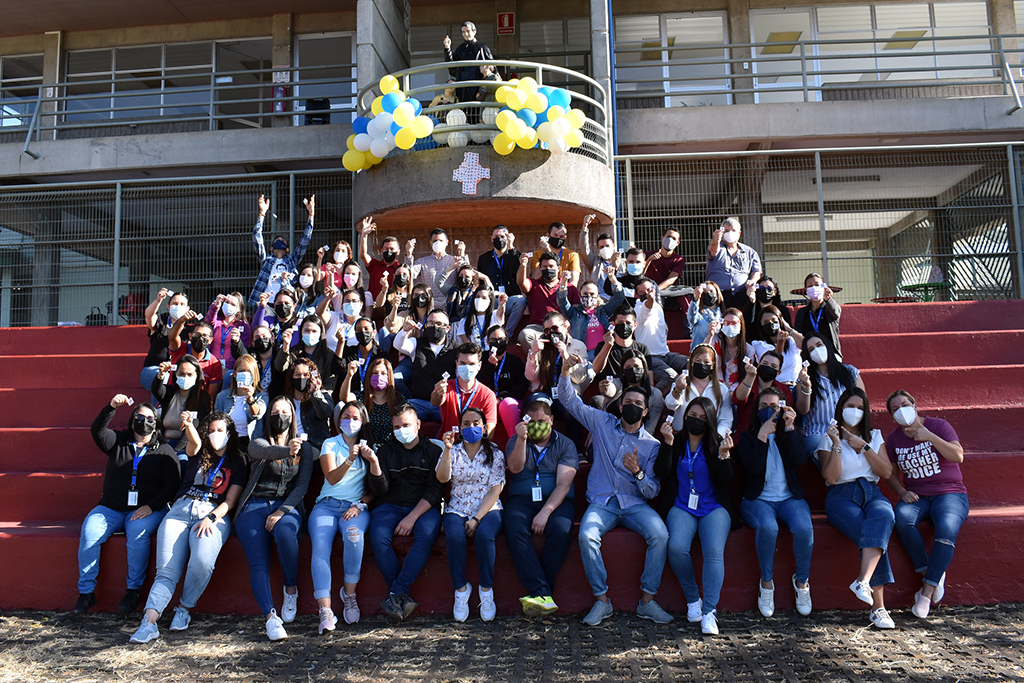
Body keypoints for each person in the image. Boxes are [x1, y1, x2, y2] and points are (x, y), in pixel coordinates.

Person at [557, 356, 673, 627]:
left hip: (635, 504)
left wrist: (638, 472)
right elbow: (570, 401)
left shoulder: (652, 446)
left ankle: (647, 601)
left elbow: (652, 491)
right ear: (620, 405)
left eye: (638, 405)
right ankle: (602, 601)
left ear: (646, 412)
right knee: (586, 535)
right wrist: (564, 373)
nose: (632, 407)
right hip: (602, 502)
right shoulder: (602, 423)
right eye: (628, 403)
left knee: (660, 534)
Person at [129, 412, 247, 643]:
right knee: (166, 571)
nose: (215, 435)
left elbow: (230, 501)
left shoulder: (238, 460)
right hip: (179, 512)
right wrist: (189, 425)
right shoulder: (198, 452)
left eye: (220, 430)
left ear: (230, 433)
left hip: (213, 514)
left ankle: (184, 607)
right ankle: (149, 622)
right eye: (211, 430)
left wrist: (211, 518)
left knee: (202, 561)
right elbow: (193, 442)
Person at [72, 394, 180, 616]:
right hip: (110, 507)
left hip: (147, 509)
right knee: (90, 531)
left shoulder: (164, 450)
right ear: (132, 421)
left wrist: (152, 506)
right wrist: (111, 406)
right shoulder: (118, 442)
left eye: (150, 418)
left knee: (137, 534)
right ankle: (86, 592)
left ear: (156, 423)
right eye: (140, 417)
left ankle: (133, 590)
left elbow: (172, 484)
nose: (144, 421)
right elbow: (97, 431)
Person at [235, 397, 315, 641]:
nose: (280, 416)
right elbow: (259, 451)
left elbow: (301, 487)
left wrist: (281, 511)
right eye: (275, 411)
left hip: (286, 506)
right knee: (258, 563)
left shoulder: (306, 449)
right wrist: (286, 451)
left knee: (284, 532)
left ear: (293, 417)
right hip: (254, 505)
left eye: (285, 411)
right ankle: (271, 618)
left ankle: (290, 588)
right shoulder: (259, 441)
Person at [883, 390, 968, 619]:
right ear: (892, 417)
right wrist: (901, 491)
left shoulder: (939, 426)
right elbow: (889, 472)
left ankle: (927, 592)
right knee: (900, 518)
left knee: (947, 529)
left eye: (905, 404)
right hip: (917, 496)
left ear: (915, 405)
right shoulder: (893, 439)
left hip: (950, 493)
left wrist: (929, 436)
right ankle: (930, 571)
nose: (901, 410)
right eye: (895, 409)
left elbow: (957, 456)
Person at [656, 397, 738, 635]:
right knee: (676, 547)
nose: (697, 421)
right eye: (692, 415)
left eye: (703, 418)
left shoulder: (716, 443)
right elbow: (662, 472)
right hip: (682, 506)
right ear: (685, 416)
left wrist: (724, 456)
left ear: (711, 420)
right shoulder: (677, 440)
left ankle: (709, 612)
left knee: (713, 553)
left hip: (713, 507)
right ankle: (694, 599)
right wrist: (668, 444)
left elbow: (726, 481)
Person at [817, 387, 896, 630]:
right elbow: (831, 477)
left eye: (860, 408)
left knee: (885, 516)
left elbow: (886, 472)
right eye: (850, 406)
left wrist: (864, 447)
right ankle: (879, 609)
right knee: (869, 533)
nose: (855, 411)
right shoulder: (828, 437)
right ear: (841, 409)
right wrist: (837, 444)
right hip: (842, 495)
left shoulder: (874, 435)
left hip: (872, 492)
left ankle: (863, 581)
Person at [735, 388, 814, 618]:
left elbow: (800, 460)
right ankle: (766, 583)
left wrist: (788, 429)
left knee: (803, 527)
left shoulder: (791, 433)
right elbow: (753, 468)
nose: (769, 411)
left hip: (789, 497)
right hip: (758, 499)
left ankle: (802, 582)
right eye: (763, 407)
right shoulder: (747, 438)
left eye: (774, 406)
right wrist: (762, 436)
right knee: (769, 527)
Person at [366, 404, 445, 620]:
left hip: (423, 506)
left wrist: (412, 517)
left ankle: (395, 592)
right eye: (397, 427)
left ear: (418, 425)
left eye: (407, 425)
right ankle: (400, 593)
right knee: (377, 535)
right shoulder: (385, 451)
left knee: (426, 535)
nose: (402, 430)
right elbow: (379, 490)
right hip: (389, 505)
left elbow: (435, 490)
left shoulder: (433, 451)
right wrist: (374, 464)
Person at [504, 400, 579, 616]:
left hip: (556, 500)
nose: (538, 425)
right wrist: (521, 439)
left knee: (561, 530)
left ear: (552, 420)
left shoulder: (565, 444)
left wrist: (545, 512)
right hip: (521, 498)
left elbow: (564, 484)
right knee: (514, 529)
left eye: (542, 421)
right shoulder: (515, 440)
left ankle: (540, 592)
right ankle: (543, 592)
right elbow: (516, 468)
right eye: (532, 421)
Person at [310, 401, 375, 632]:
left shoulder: (370, 447)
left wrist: (360, 504)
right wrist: (349, 459)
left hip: (355, 507)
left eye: (355, 417)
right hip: (326, 506)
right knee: (320, 546)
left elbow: (374, 487)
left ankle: (349, 594)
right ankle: (325, 610)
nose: (350, 421)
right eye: (346, 417)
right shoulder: (330, 443)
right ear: (338, 422)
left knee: (354, 537)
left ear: (363, 421)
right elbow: (331, 478)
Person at [436, 407, 505, 622]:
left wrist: (476, 519)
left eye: (476, 423)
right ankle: (461, 589)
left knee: (485, 536)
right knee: (454, 537)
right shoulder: (453, 451)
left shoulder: (495, 452)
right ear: (460, 428)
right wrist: (447, 450)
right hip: (457, 507)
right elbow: (442, 478)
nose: (471, 427)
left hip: (488, 508)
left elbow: (496, 488)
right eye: (466, 423)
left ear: (484, 428)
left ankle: (486, 590)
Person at [800, 334, 864, 460]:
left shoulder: (849, 372)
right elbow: (803, 410)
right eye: (811, 349)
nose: (817, 350)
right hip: (818, 433)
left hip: (848, 431)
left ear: (827, 346)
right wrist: (806, 386)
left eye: (819, 345)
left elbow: (862, 403)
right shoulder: (804, 377)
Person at [248, 193, 315, 308]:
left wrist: (311, 215)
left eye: (282, 240)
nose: (279, 240)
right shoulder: (266, 260)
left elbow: (305, 240)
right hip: (266, 303)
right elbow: (256, 237)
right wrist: (262, 214)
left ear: (287, 249)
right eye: (276, 240)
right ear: (271, 249)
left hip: (287, 303)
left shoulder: (292, 261)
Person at [399, 308, 458, 423]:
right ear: (426, 325)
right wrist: (404, 332)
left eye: (439, 324)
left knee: (454, 422)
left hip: (443, 403)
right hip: (418, 402)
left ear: (447, 328)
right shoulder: (417, 343)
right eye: (431, 323)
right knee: (403, 419)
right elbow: (399, 345)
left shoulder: (456, 349)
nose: (435, 327)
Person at [732, 350, 805, 438]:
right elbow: (738, 400)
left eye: (773, 366)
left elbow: (788, 412)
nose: (768, 367)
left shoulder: (783, 389)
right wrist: (750, 376)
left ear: (779, 373)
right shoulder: (749, 381)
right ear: (759, 365)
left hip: (775, 437)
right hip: (746, 435)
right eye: (765, 364)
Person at [634, 277, 688, 393]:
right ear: (637, 295)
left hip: (666, 354)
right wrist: (650, 300)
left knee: (693, 364)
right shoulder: (638, 309)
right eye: (643, 292)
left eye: (649, 290)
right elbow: (647, 307)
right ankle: (650, 399)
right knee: (671, 377)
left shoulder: (658, 307)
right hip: (650, 357)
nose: (647, 294)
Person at [665, 344, 733, 435]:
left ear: (712, 365)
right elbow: (670, 405)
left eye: (706, 362)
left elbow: (726, 420)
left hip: (708, 439)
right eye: (698, 361)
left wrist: (715, 437)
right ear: (692, 361)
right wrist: (677, 390)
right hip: (681, 436)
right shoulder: (681, 383)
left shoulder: (722, 389)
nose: (702, 364)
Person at [432, 342, 498, 437]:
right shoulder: (447, 386)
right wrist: (439, 393)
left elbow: (489, 431)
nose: (467, 367)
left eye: (472, 364)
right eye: (462, 363)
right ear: (456, 364)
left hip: (474, 445)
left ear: (479, 366)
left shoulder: (488, 395)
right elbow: (435, 402)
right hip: (448, 443)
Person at [518, 251, 580, 349]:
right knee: (524, 335)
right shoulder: (533, 284)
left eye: (551, 266)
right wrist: (523, 265)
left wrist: (567, 323)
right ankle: (538, 360)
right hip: (538, 327)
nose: (548, 269)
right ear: (540, 268)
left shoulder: (570, 288)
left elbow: (576, 311)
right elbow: (521, 283)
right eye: (545, 266)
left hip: (561, 327)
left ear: (558, 268)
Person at [141, 289, 196, 397]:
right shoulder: (161, 322)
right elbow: (149, 316)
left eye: (182, 304)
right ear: (168, 306)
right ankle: (159, 412)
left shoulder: (190, 330)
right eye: (175, 304)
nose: (178, 306)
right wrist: (158, 300)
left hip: (179, 372)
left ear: (188, 308)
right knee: (164, 378)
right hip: (154, 369)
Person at [479, 325, 530, 440]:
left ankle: (514, 442)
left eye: (501, 339)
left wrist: (501, 398)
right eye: (493, 340)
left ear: (507, 340)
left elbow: (521, 386)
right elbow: (478, 383)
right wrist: (490, 367)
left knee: (507, 404)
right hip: (486, 400)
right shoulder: (481, 358)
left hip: (508, 400)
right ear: (487, 342)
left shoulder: (515, 360)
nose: (498, 343)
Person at [152, 355, 213, 449]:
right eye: (181, 374)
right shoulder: (170, 393)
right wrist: (161, 374)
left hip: (186, 447)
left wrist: (175, 452)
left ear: (197, 375)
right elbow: (157, 390)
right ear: (176, 374)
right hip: (163, 442)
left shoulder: (202, 399)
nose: (185, 377)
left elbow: (193, 429)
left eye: (189, 374)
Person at [560, 274, 624, 362]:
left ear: (597, 296)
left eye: (592, 294)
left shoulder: (603, 311)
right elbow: (562, 301)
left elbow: (619, 298)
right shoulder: (573, 312)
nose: (589, 297)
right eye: (585, 294)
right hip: (582, 355)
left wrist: (613, 279)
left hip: (602, 354)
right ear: (579, 295)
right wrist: (563, 283)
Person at [597, 352, 664, 436]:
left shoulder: (655, 394)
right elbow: (611, 389)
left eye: (637, 367)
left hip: (637, 441)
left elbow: (650, 428)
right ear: (623, 370)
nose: (633, 370)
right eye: (628, 367)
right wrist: (606, 388)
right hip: (608, 435)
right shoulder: (616, 383)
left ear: (644, 369)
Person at [476, 225, 527, 335]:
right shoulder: (484, 258)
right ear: (491, 238)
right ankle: (486, 334)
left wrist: (511, 247)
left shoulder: (515, 255)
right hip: (491, 299)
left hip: (510, 298)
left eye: (502, 236)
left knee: (521, 300)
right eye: (496, 236)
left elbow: (516, 274)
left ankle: (507, 333)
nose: (499, 239)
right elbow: (481, 283)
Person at [385, 283, 433, 397]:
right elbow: (391, 326)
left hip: (428, 359)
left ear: (429, 297)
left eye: (423, 295)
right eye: (416, 295)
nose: (419, 298)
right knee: (395, 379)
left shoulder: (434, 316)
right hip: (407, 360)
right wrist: (395, 309)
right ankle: (411, 404)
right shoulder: (406, 314)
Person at [706, 217, 762, 311]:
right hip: (719, 293)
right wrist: (716, 240)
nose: (730, 233)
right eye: (727, 231)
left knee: (752, 297)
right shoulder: (718, 247)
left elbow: (756, 271)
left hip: (741, 292)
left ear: (739, 233)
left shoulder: (749, 252)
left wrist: (752, 280)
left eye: (733, 230)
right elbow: (713, 250)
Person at [213, 354, 268, 446]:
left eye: (249, 372)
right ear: (235, 373)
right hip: (227, 442)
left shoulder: (261, 396)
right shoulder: (222, 397)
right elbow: (216, 421)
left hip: (249, 443)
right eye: (242, 371)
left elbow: (257, 414)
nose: (245, 374)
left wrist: (251, 400)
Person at [592, 307, 654, 389]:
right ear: (613, 324)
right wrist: (607, 346)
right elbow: (596, 369)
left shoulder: (642, 348)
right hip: (612, 390)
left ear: (635, 326)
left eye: (628, 323)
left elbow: (649, 380)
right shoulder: (603, 346)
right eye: (620, 323)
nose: (624, 326)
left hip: (636, 390)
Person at [277, 314, 338, 397]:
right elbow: (279, 367)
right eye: (306, 330)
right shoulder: (293, 352)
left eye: (314, 331)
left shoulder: (328, 355)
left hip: (317, 398)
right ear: (301, 332)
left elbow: (330, 383)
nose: (310, 334)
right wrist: (285, 347)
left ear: (320, 333)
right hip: (293, 396)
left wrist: (318, 394)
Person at [282, 358, 334, 453]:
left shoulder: (323, 395)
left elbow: (326, 412)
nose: (301, 378)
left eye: (306, 375)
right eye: (297, 375)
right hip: (291, 447)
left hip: (315, 446)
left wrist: (315, 393)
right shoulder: (284, 401)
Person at [336, 316, 388, 403]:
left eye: (366, 329)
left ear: (374, 332)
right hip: (353, 396)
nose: (363, 332)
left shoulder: (382, 355)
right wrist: (340, 343)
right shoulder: (349, 352)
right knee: (340, 406)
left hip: (375, 396)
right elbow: (336, 368)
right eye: (359, 330)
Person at [443, 22, 494, 113]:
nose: (465, 34)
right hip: (463, 88)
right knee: (464, 111)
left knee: (477, 112)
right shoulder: (460, 49)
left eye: (468, 31)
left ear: (474, 32)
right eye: (463, 32)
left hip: (478, 86)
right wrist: (447, 49)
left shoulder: (482, 47)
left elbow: (493, 69)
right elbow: (451, 67)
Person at [168, 316, 223, 396]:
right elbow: (172, 337)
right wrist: (182, 320)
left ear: (210, 340)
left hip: (197, 403)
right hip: (173, 398)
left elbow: (211, 395)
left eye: (205, 336)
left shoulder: (214, 363)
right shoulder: (180, 350)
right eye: (197, 334)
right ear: (190, 336)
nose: (200, 338)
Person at [749, 305, 804, 385]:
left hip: (796, 385)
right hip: (776, 387)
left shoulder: (791, 340)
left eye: (774, 320)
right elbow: (774, 362)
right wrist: (780, 343)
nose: (770, 323)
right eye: (766, 322)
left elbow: (806, 346)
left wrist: (789, 329)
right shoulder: (759, 345)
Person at [794, 272, 843, 361]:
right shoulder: (802, 312)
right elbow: (798, 334)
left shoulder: (829, 308)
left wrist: (829, 299)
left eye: (817, 285)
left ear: (824, 287)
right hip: (810, 354)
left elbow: (836, 313)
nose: (814, 288)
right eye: (810, 286)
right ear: (806, 289)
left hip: (831, 353)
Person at [407, 228, 457, 309]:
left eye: (441, 241)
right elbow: (409, 275)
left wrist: (462, 255)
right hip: (429, 303)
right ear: (430, 243)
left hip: (449, 302)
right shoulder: (422, 262)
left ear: (447, 242)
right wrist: (409, 254)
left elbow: (467, 274)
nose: (438, 243)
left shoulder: (454, 260)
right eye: (435, 241)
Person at [357, 216, 402, 300]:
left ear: (398, 252)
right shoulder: (374, 265)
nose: (389, 251)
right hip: (373, 307)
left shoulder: (400, 270)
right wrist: (364, 236)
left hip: (392, 307)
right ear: (382, 250)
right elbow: (363, 255)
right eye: (386, 249)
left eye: (392, 249)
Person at [712, 308, 756, 393]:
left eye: (734, 323)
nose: (730, 326)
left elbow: (746, 379)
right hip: (714, 390)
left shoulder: (748, 350)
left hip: (735, 393)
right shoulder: (715, 341)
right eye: (727, 323)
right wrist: (710, 334)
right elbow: (702, 354)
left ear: (741, 326)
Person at [360, 357, 400, 447]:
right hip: (366, 447)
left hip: (391, 449)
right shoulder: (361, 397)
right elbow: (344, 398)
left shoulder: (398, 400)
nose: (379, 376)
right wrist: (349, 376)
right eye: (375, 373)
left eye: (383, 373)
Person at [528, 222, 582, 287]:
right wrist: (547, 253)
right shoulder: (536, 254)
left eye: (561, 236)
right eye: (555, 235)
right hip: (542, 290)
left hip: (563, 291)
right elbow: (535, 277)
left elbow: (574, 282)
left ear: (565, 237)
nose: (558, 238)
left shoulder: (572, 255)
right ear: (548, 236)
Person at [455, 284, 506, 352]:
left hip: (492, 353)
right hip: (475, 355)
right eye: (477, 297)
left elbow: (500, 312)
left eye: (484, 298)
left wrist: (502, 304)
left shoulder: (494, 316)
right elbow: (467, 344)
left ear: (489, 302)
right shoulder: (464, 321)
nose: (479, 300)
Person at [745, 277, 792, 343]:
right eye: (761, 288)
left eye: (769, 288)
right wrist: (752, 302)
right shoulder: (751, 308)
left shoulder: (782, 310)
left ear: (775, 292)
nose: (765, 290)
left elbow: (786, 329)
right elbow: (748, 324)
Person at [687, 281, 724, 353]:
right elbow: (691, 317)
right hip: (700, 355)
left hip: (719, 356)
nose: (709, 294)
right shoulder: (698, 315)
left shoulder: (724, 315)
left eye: (711, 291)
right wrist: (695, 299)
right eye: (705, 293)